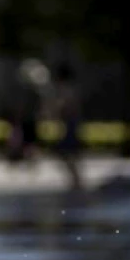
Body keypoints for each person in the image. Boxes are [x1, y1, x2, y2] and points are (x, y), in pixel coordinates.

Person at [50, 62, 84, 193]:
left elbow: (67, 106)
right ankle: (75, 180)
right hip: (70, 125)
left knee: (67, 152)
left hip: (70, 125)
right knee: (68, 153)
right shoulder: (69, 88)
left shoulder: (67, 89)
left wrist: (56, 110)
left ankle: (76, 181)